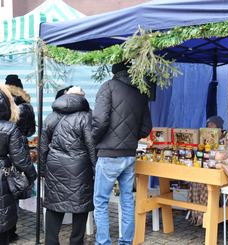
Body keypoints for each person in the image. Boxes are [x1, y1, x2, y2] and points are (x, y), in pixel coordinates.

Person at [92, 61, 152, 245]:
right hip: (129, 154)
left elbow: (99, 121)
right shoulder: (140, 92)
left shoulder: (107, 87)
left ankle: (103, 242)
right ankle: (126, 242)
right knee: (127, 200)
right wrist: (131, 136)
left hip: (109, 154)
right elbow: (146, 128)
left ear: (114, 72)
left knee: (101, 201)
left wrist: (93, 139)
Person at [40, 86, 96, 245]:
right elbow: (91, 146)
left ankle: (51, 241)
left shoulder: (50, 117)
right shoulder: (86, 117)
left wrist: (43, 170)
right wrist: (95, 168)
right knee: (81, 204)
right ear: (81, 99)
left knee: (54, 204)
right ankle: (76, 241)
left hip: (55, 166)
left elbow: (43, 147)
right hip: (80, 167)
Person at [0, 83, 37, 245]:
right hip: (3, 177)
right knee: (4, 219)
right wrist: (32, 175)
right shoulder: (9, 128)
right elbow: (21, 160)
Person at [188, 115, 224, 226]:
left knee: (206, 185)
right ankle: (197, 214)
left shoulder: (224, 140)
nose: (209, 127)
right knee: (195, 182)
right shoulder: (204, 139)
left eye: (212, 124)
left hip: (217, 171)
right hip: (205, 168)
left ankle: (206, 216)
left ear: (219, 127)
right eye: (208, 125)